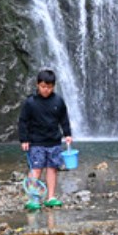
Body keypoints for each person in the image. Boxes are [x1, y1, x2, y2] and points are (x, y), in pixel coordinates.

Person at [17, 69, 72, 211]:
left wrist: (67, 134)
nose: (46, 90)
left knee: (52, 169)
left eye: (49, 87)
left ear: (53, 86)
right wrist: (24, 139)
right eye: (43, 87)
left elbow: (64, 119)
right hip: (36, 142)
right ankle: (33, 198)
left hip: (54, 141)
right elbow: (23, 121)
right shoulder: (30, 102)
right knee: (35, 169)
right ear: (37, 85)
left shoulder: (58, 101)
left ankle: (51, 197)